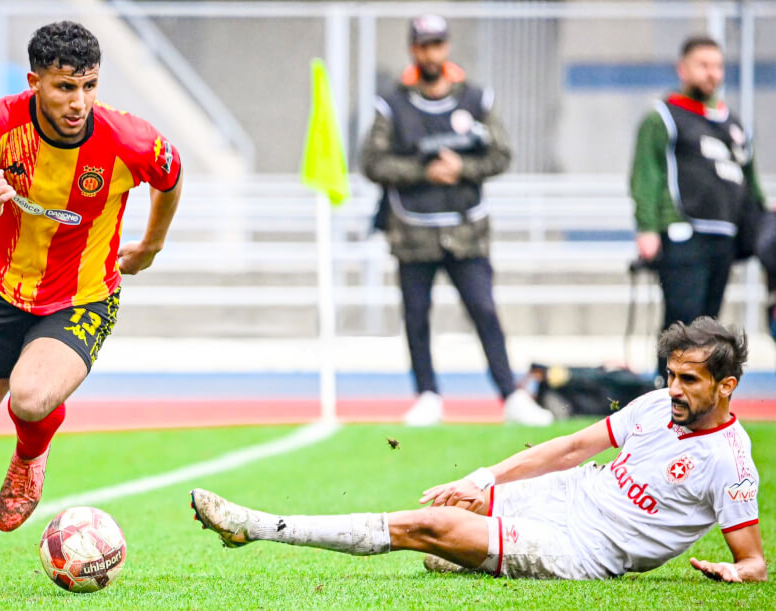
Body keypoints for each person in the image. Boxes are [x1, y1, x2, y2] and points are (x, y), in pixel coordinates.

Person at [0, 21, 183, 589]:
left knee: (29, 398)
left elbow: (170, 178)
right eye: (63, 88)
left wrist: (150, 245)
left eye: (88, 87)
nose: (78, 103)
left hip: (82, 298)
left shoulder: (129, 139)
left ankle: (29, 456)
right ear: (34, 82)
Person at [192, 317, 766, 582]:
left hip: (585, 548)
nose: (674, 390)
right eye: (671, 376)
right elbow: (569, 447)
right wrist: (485, 477)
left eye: (689, 380)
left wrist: (738, 573)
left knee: (431, 527)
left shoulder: (730, 462)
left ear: (725, 386)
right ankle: (476, 552)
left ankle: (257, 527)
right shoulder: (654, 405)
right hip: (570, 492)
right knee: (457, 506)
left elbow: (755, 561)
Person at [361, 15, 552, 427]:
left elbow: (500, 155)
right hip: (412, 232)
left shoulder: (476, 100)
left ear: (447, 47)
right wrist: (422, 171)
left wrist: (460, 167)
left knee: (484, 310)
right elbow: (373, 162)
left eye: (437, 44)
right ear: (413, 49)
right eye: (423, 45)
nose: (431, 52)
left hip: (467, 232)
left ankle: (510, 395)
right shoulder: (391, 104)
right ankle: (427, 394)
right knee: (416, 315)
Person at [629, 35, 766, 380]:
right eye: (703, 65)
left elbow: (749, 180)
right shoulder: (664, 117)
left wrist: (763, 214)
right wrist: (647, 226)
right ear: (684, 69)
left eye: (718, 66)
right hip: (683, 232)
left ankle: (699, 411)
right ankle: (666, 403)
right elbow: (646, 174)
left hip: (724, 237)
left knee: (709, 331)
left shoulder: (733, 125)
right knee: (680, 326)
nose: (712, 74)